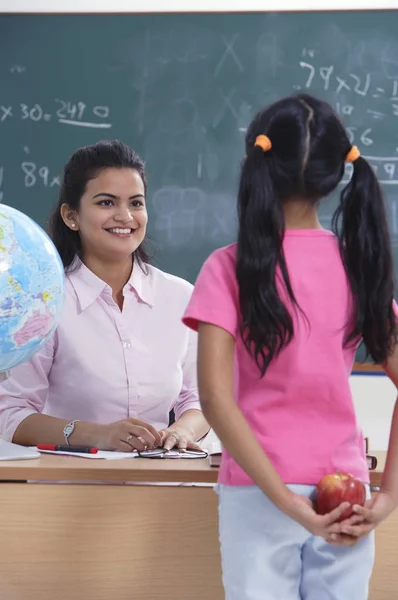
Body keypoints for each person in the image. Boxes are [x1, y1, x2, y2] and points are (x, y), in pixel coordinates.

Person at [182, 94, 398, 600]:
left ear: (255, 164)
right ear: (338, 173)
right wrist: (387, 495)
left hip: (257, 490)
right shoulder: (359, 267)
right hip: (346, 491)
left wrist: (284, 500)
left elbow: (215, 399)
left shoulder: (227, 266)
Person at [0, 140, 208, 452]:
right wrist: (95, 434)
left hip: (163, 482)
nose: (125, 216)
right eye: (106, 203)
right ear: (71, 216)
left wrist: (182, 431)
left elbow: (200, 400)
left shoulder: (180, 296)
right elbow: (11, 415)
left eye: (136, 203)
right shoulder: (44, 302)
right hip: (70, 485)